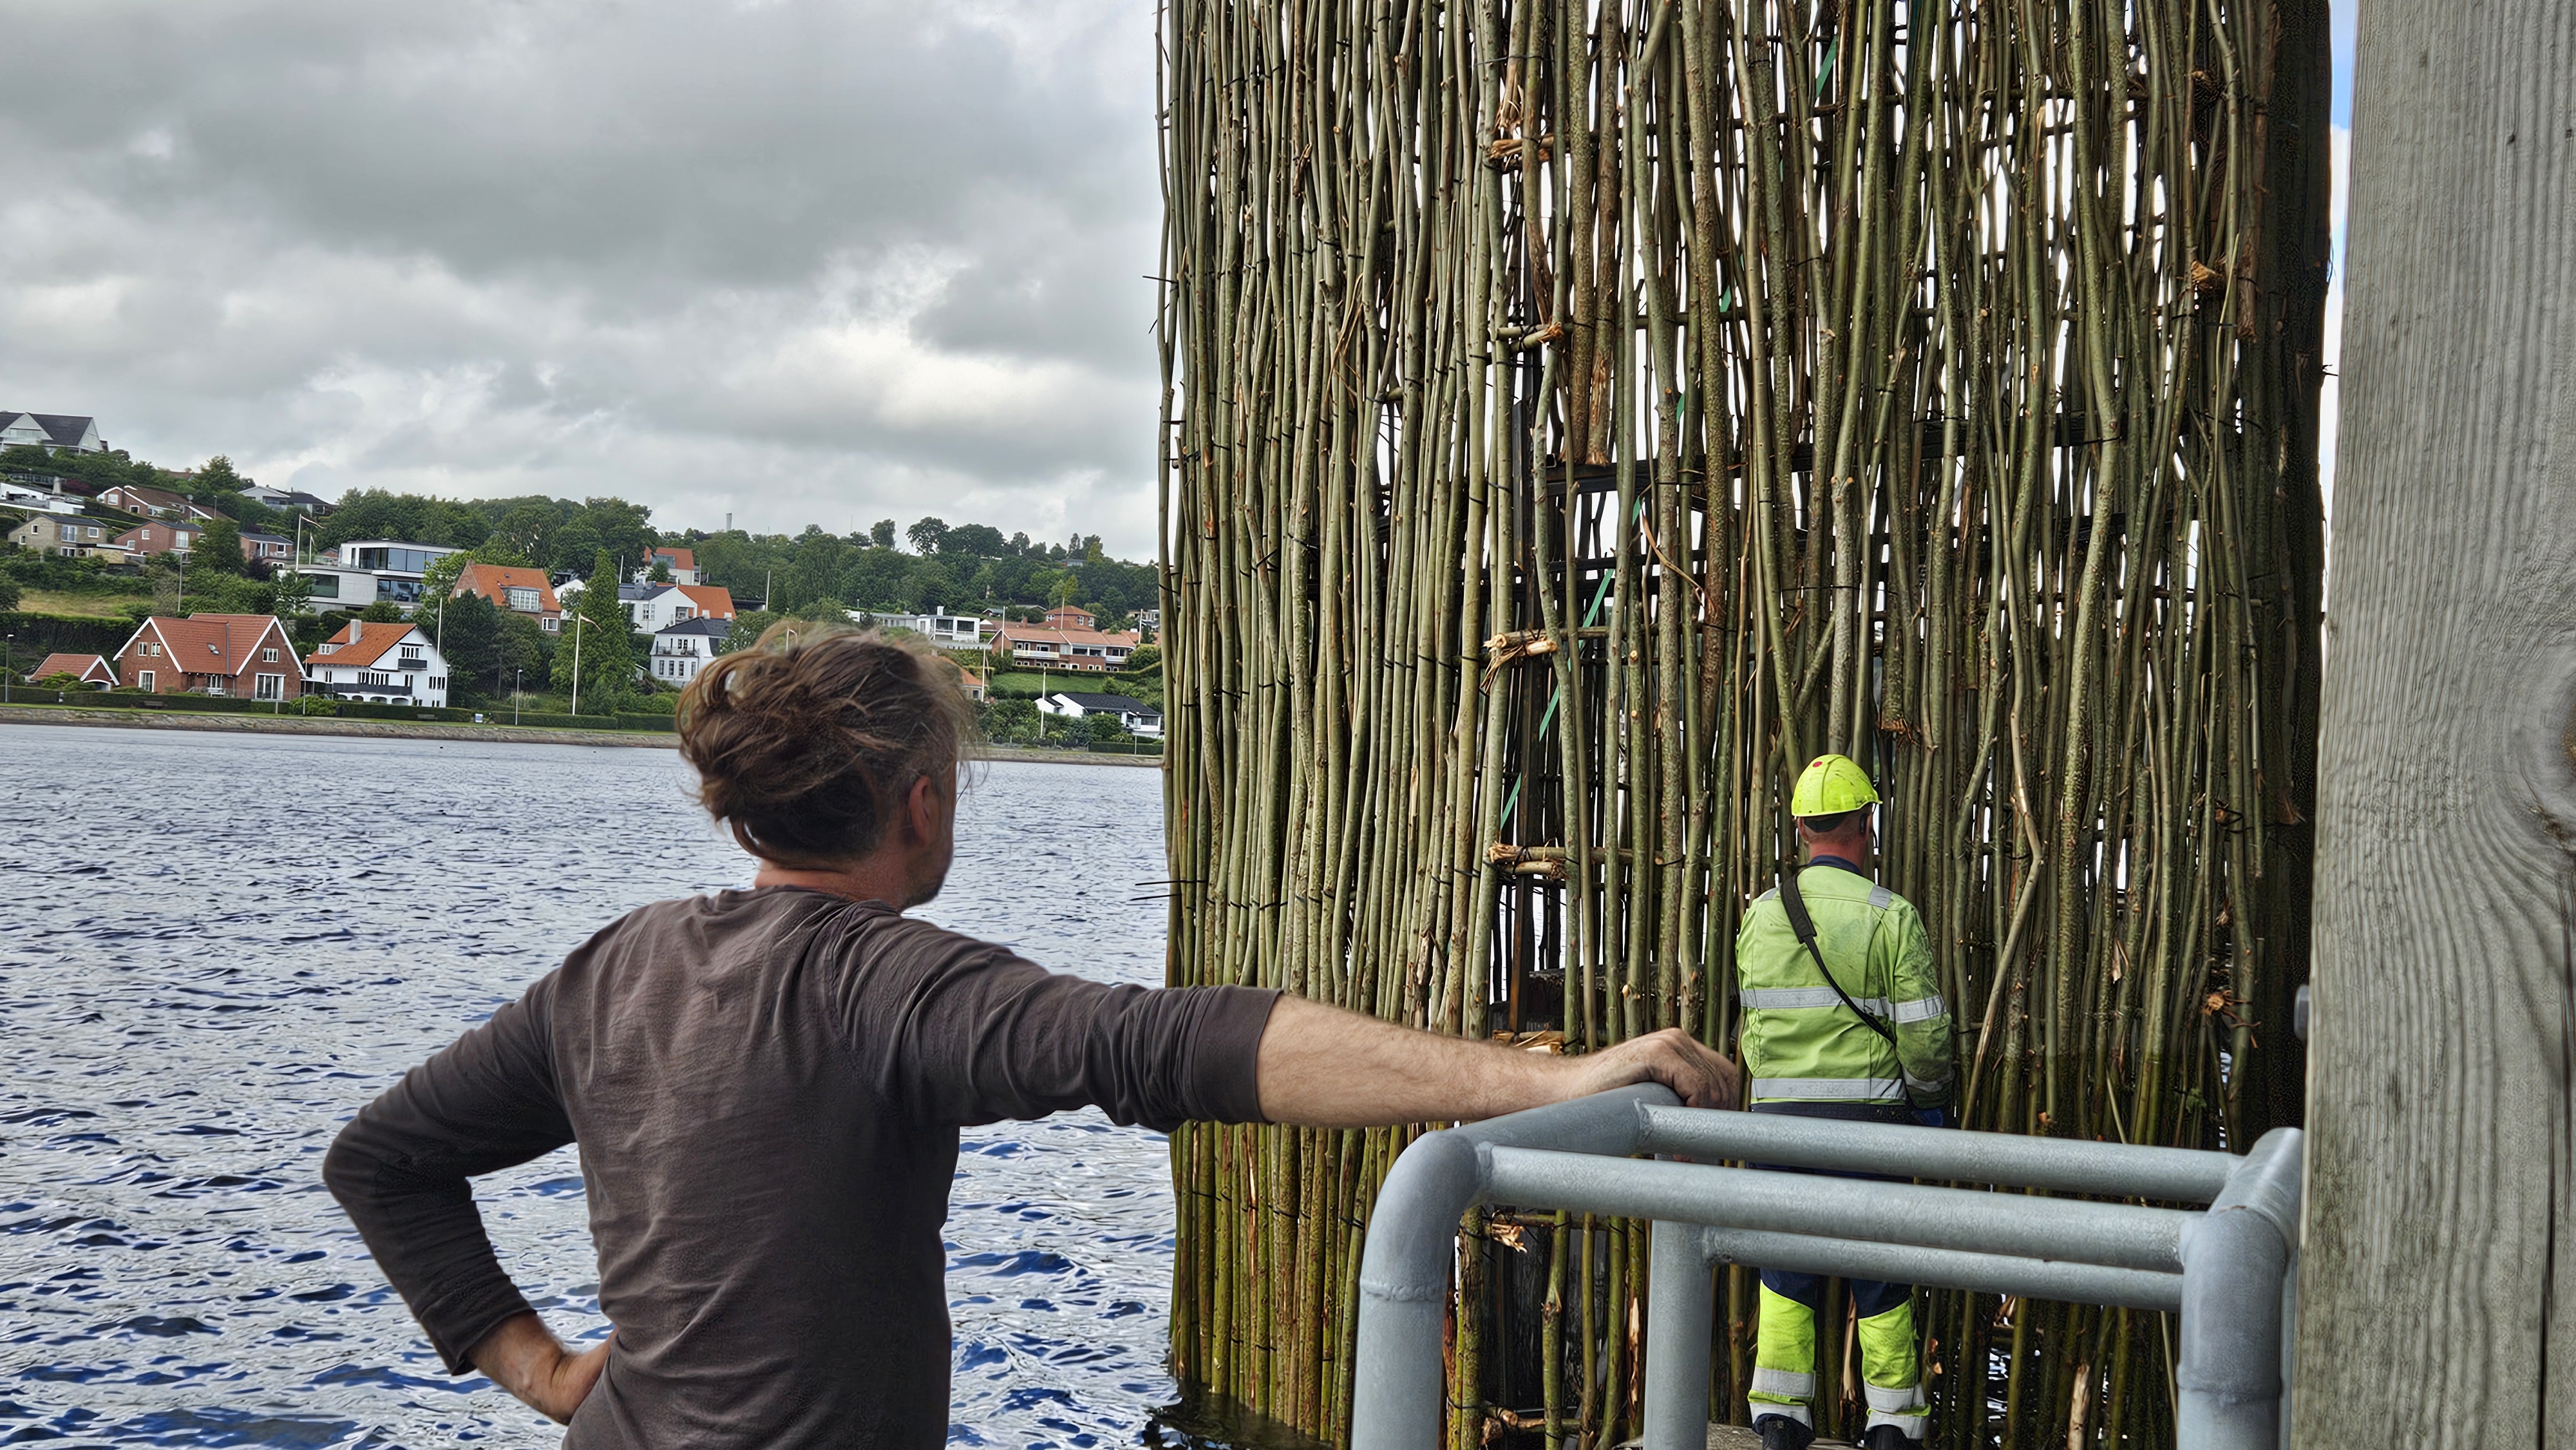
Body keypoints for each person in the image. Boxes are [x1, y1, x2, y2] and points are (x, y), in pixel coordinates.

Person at [324, 621, 1739, 1447]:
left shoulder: (613, 968)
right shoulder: (886, 987)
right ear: (919, 803)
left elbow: (381, 1159)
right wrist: (1535, 1074)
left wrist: (553, 1375)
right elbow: (1175, 1045)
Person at [1734, 754, 1954, 1450]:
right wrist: (1930, 1106)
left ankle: (1778, 1421)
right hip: (1871, 1135)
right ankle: (1891, 1425)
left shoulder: (1760, 917)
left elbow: (1752, 1037)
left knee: (1783, 1275)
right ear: (1866, 823)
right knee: (1883, 1283)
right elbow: (1924, 1040)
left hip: (1777, 1137)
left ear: (1799, 827)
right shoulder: (1892, 917)